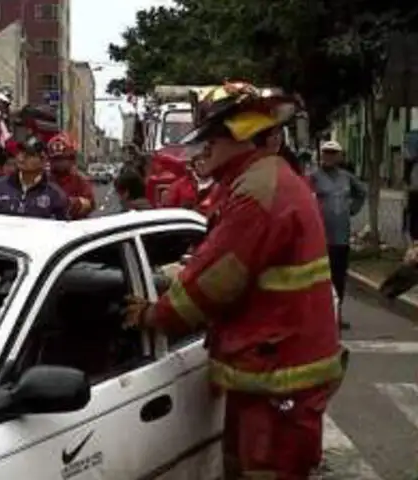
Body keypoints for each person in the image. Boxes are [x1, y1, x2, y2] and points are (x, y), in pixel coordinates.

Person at [123, 82, 346, 479]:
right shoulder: (260, 181)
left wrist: (153, 315)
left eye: (212, 137)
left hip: (279, 381)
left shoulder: (259, 191)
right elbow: (224, 263)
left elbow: (213, 283)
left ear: (243, 136)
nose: (201, 149)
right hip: (274, 373)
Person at [310, 140, 366, 330]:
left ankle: (337, 315)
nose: (329, 157)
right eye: (326, 153)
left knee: (339, 277)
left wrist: (351, 210)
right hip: (320, 237)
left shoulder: (346, 177)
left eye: (333, 153)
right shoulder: (313, 177)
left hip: (341, 237)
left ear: (340, 156)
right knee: (319, 278)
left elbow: (361, 193)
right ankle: (319, 316)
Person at [0, 136, 68, 219]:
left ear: (43, 160)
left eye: (29, 154)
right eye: (21, 152)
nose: (22, 158)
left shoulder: (55, 195)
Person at [47, 133, 95, 219]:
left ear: (71, 159)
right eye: (55, 159)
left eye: (63, 159)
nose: (59, 163)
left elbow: (89, 204)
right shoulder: (43, 179)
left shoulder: (80, 180)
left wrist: (73, 204)